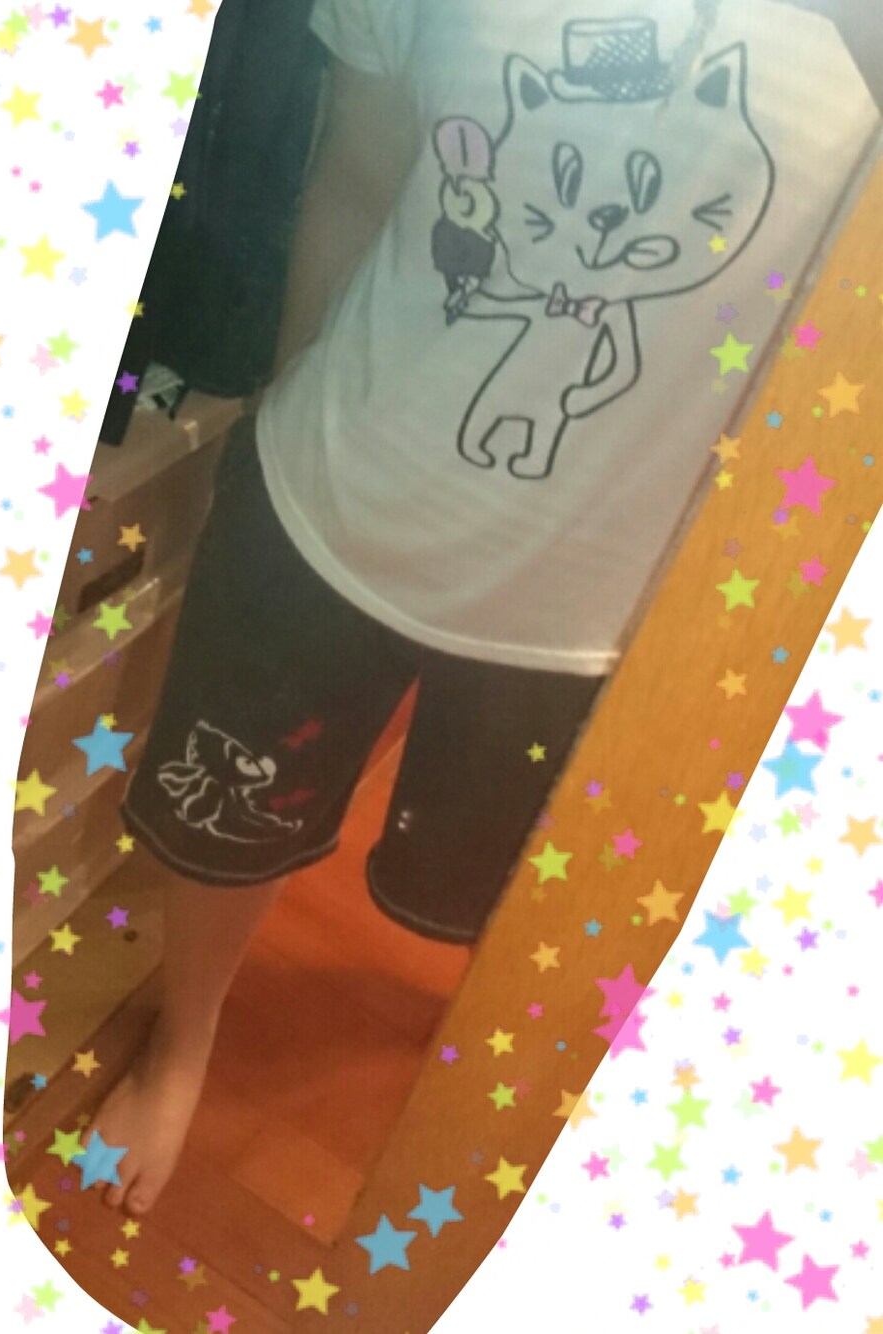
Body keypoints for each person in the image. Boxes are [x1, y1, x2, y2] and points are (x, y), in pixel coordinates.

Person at [85, 0, 881, 1216]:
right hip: (333, 492)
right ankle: (184, 1038)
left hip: (625, 607)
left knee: (520, 909)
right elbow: (359, 168)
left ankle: (487, 1089)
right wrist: (289, 390)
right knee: (231, 819)